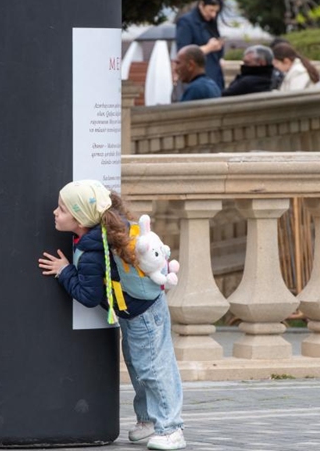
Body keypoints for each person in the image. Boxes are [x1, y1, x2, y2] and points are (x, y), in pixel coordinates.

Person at [38, 180, 186, 450]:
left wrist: (65, 271)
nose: (54, 213)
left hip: (144, 315)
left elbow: (89, 295)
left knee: (154, 368)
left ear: (81, 219)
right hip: (134, 314)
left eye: (62, 209)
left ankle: (172, 428)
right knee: (139, 368)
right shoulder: (94, 236)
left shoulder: (91, 250)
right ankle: (148, 422)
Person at [175, 0, 225, 93]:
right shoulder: (186, 22)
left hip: (215, 74)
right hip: (197, 79)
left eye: (216, 12)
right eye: (210, 10)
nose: (213, 15)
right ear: (201, 5)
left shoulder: (210, 22)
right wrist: (208, 48)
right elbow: (183, 52)